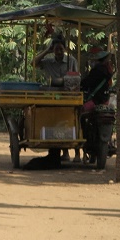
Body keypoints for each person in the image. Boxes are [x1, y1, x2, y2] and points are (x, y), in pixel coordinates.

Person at [32, 31, 80, 162]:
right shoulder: (48, 61)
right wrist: (46, 51)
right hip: (51, 96)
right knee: (57, 122)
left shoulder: (71, 61)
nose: (58, 52)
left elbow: (76, 78)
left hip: (68, 95)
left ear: (65, 49)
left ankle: (77, 153)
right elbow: (33, 63)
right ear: (53, 49)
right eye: (56, 49)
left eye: (61, 49)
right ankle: (64, 152)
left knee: (73, 121)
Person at [81, 48, 114, 112]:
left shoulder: (97, 70)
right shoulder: (105, 69)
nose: (90, 61)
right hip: (105, 99)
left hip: (96, 100)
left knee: (79, 111)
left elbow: (87, 82)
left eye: (92, 59)